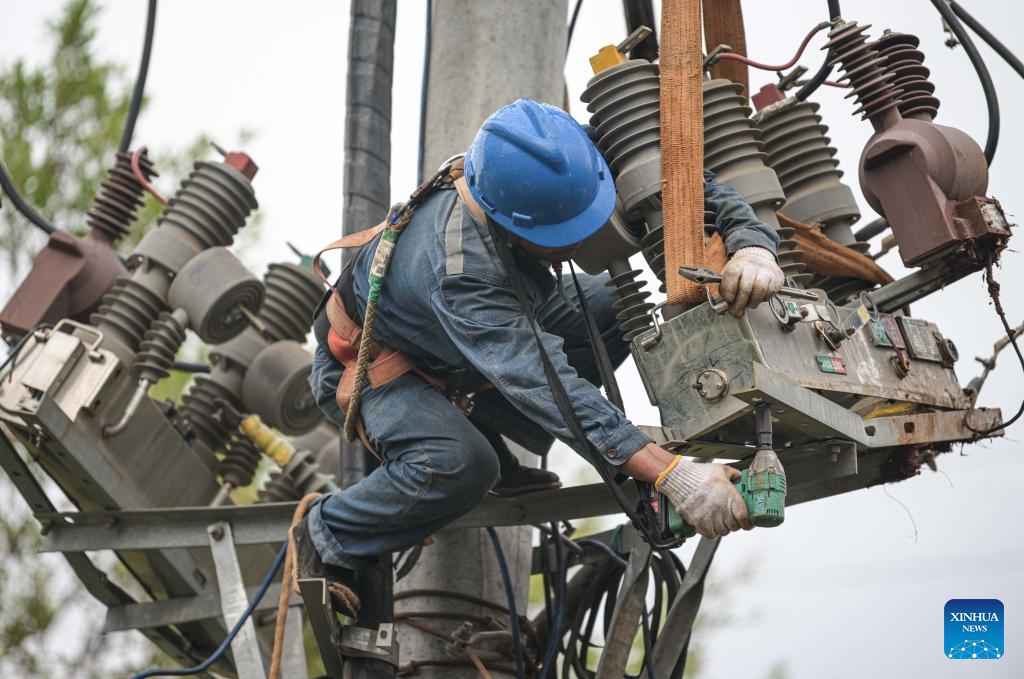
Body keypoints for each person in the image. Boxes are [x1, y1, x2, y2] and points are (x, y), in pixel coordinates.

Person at [293, 98, 784, 617]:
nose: (574, 246)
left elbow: (678, 176)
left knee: (609, 308)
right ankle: (332, 529)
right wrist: (672, 475)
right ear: (514, 223)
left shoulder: (563, 153)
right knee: (460, 465)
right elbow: (551, 387)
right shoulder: (463, 273)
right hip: (375, 366)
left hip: (458, 348)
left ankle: (487, 430)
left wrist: (751, 243)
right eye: (559, 239)